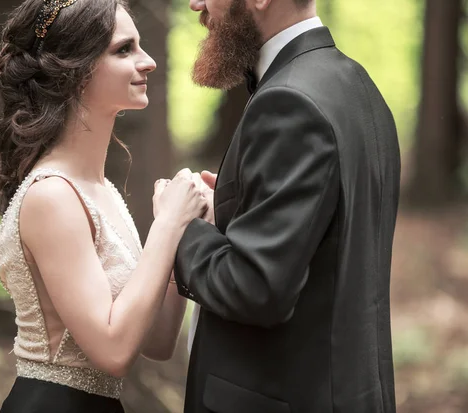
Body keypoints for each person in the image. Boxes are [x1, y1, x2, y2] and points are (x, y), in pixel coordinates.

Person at [169, 0, 401, 412]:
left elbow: (256, 287)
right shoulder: (356, 85)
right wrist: (232, 207)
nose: (196, 4)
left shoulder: (290, 102)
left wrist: (181, 224)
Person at [0, 0, 208, 411]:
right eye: (124, 50)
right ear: (76, 70)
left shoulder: (102, 191)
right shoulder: (51, 196)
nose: (149, 61)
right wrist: (168, 226)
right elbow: (113, 351)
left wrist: (185, 226)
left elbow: (156, 342)